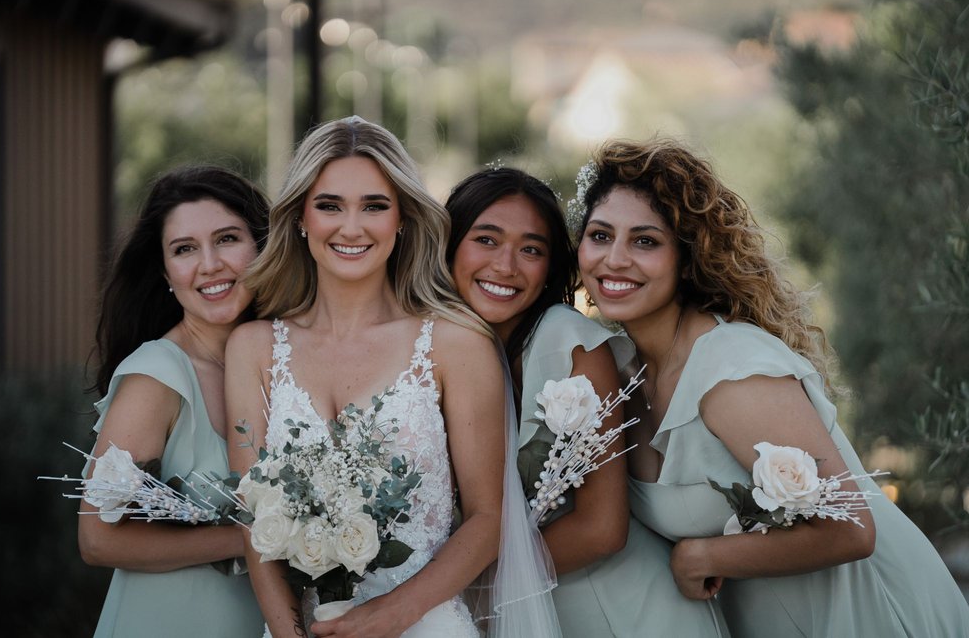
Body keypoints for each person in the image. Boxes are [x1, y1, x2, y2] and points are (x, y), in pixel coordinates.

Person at [574, 138, 969, 637]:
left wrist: (703, 556)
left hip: (864, 614)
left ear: (686, 258)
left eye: (645, 241)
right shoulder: (622, 373)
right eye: (600, 235)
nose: (614, 259)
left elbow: (852, 530)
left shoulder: (731, 367)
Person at [226, 117, 558, 638]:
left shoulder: (455, 345)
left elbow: (487, 520)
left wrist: (389, 616)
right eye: (329, 205)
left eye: (374, 206)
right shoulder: (253, 348)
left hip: (424, 624)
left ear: (402, 218)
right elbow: (253, 517)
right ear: (300, 218)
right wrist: (291, 634)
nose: (351, 227)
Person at [446, 166, 728, 637]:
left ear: (550, 267)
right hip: (530, 613)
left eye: (531, 249)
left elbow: (602, 529)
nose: (506, 266)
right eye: (486, 240)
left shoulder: (571, 344)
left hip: (623, 611)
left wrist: (453, 589)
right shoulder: (439, 352)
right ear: (449, 245)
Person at [78, 165, 270, 637]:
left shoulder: (281, 363)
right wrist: (255, 539)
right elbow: (98, 539)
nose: (210, 264)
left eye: (227, 239)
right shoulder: (157, 375)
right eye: (185, 249)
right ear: (166, 272)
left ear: (263, 246)